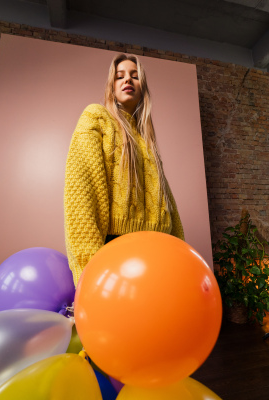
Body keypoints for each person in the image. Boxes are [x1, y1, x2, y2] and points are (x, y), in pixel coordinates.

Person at [64, 54, 184, 286]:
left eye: (135, 76)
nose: (127, 80)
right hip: (115, 253)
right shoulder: (96, 118)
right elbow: (81, 194)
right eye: (120, 76)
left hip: (159, 254)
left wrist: (181, 254)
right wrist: (88, 269)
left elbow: (168, 204)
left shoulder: (147, 140)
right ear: (111, 86)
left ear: (143, 88)